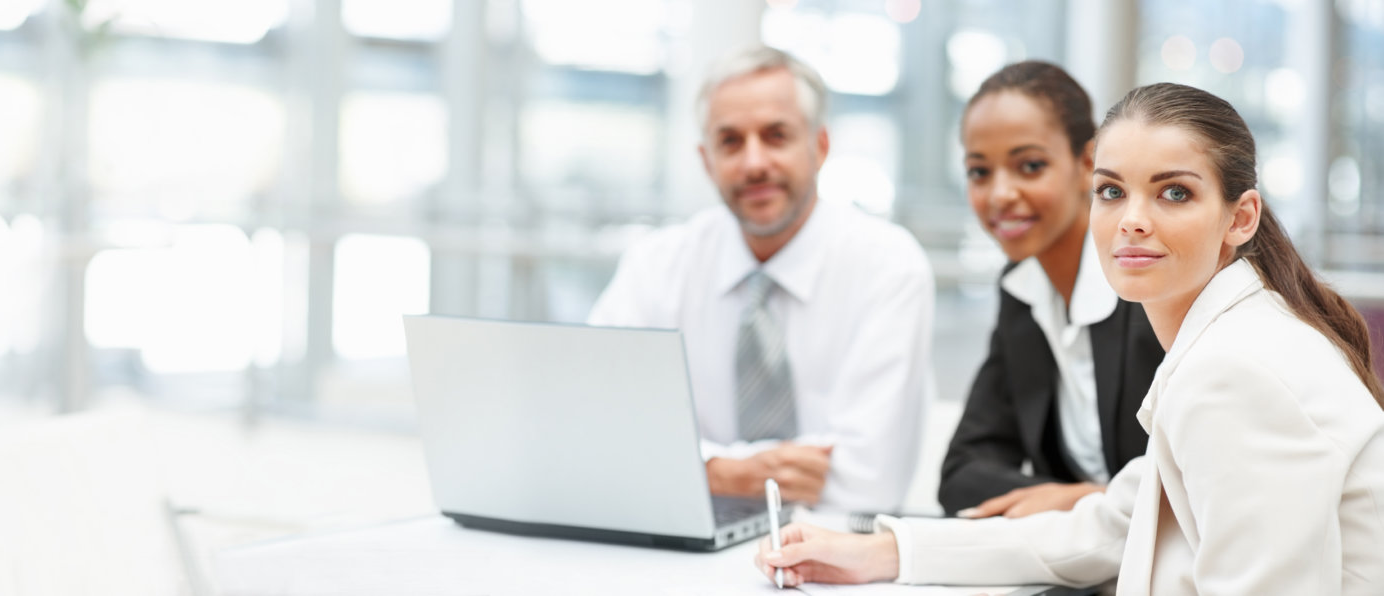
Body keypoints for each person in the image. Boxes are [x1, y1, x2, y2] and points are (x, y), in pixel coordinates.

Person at [756, 82, 1384, 594]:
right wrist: (883, 553)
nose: (1131, 221)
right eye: (1112, 191)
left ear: (1239, 217)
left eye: (1174, 193)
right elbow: (1105, 525)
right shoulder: (1229, 342)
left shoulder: (1236, 371)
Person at [587, 46, 934, 511]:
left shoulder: (888, 267)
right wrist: (726, 473)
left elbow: (865, 486)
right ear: (707, 160)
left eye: (776, 136)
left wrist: (687, 467)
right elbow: (594, 438)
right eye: (730, 142)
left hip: (840, 566)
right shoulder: (656, 264)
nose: (754, 163)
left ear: (820, 146)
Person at [940, 61, 1163, 519]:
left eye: (1030, 166)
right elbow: (963, 474)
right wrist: (1073, 502)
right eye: (979, 172)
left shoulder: (1152, 290)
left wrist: (1088, 501)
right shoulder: (1023, 289)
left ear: (1087, 163)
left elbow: (1198, 484)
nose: (1000, 193)